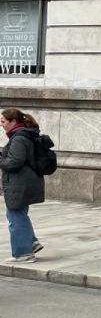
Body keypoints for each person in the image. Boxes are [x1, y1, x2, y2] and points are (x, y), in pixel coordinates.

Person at [1, 109, 45, 263]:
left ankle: (23, 253)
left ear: (13, 122)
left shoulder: (19, 138)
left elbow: (14, 162)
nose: (1, 124)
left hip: (19, 183)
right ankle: (31, 243)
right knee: (17, 213)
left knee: (15, 215)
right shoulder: (24, 135)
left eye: (3, 121)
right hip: (25, 182)